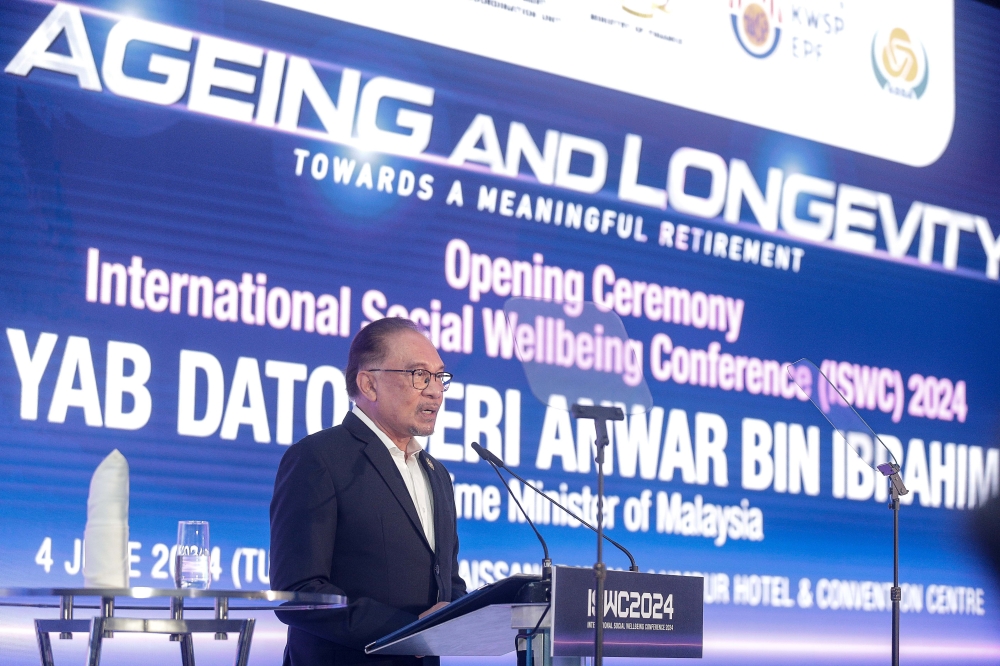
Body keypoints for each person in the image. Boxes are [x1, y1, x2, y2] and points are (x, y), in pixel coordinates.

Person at [270, 317, 467, 665]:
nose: (435, 390)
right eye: (420, 375)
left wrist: (465, 612)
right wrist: (407, 631)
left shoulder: (437, 475)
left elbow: (446, 581)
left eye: (440, 377)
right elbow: (300, 592)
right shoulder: (319, 458)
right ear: (369, 384)